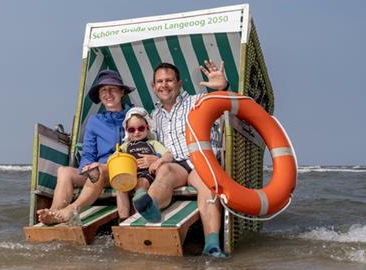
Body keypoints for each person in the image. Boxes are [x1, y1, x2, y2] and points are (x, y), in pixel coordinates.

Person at [132, 60, 229, 257]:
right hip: (174, 164)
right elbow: (154, 145)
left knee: (206, 184)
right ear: (153, 86)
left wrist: (223, 88)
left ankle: (211, 244)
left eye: (169, 80)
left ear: (179, 83)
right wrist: (153, 158)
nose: (164, 85)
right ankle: (150, 205)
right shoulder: (154, 116)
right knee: (164, 172)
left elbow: (223, 106)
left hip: (200, 159)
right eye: (159, 81)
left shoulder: (198, 101)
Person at [37, 69, 134, 225]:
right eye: (103, 90)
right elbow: (88, 153)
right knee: (65, 171)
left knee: (99, 169)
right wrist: (86, 168)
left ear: (122, 92)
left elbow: (142, 143)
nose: (108, 94)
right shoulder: (95, 121)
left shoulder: (133, 115)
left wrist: (100, 166)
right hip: (97, 173)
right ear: (99, 95)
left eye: (112, 89)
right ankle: (54, 212)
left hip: (123, 169)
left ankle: (73, 209)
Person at [116, 107, 173, 220]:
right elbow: (115, 158)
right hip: (129, 175)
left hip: (146, 173)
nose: (136, 132)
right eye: (132, 130)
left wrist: (158, 160)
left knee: (142, 182)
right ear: (127, 131)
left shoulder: (152, 143)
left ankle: (141, 203)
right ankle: (123, 218)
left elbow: (168, 156)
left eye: (141, 128)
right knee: (120, 188)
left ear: (147, 128)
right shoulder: (124, 146)